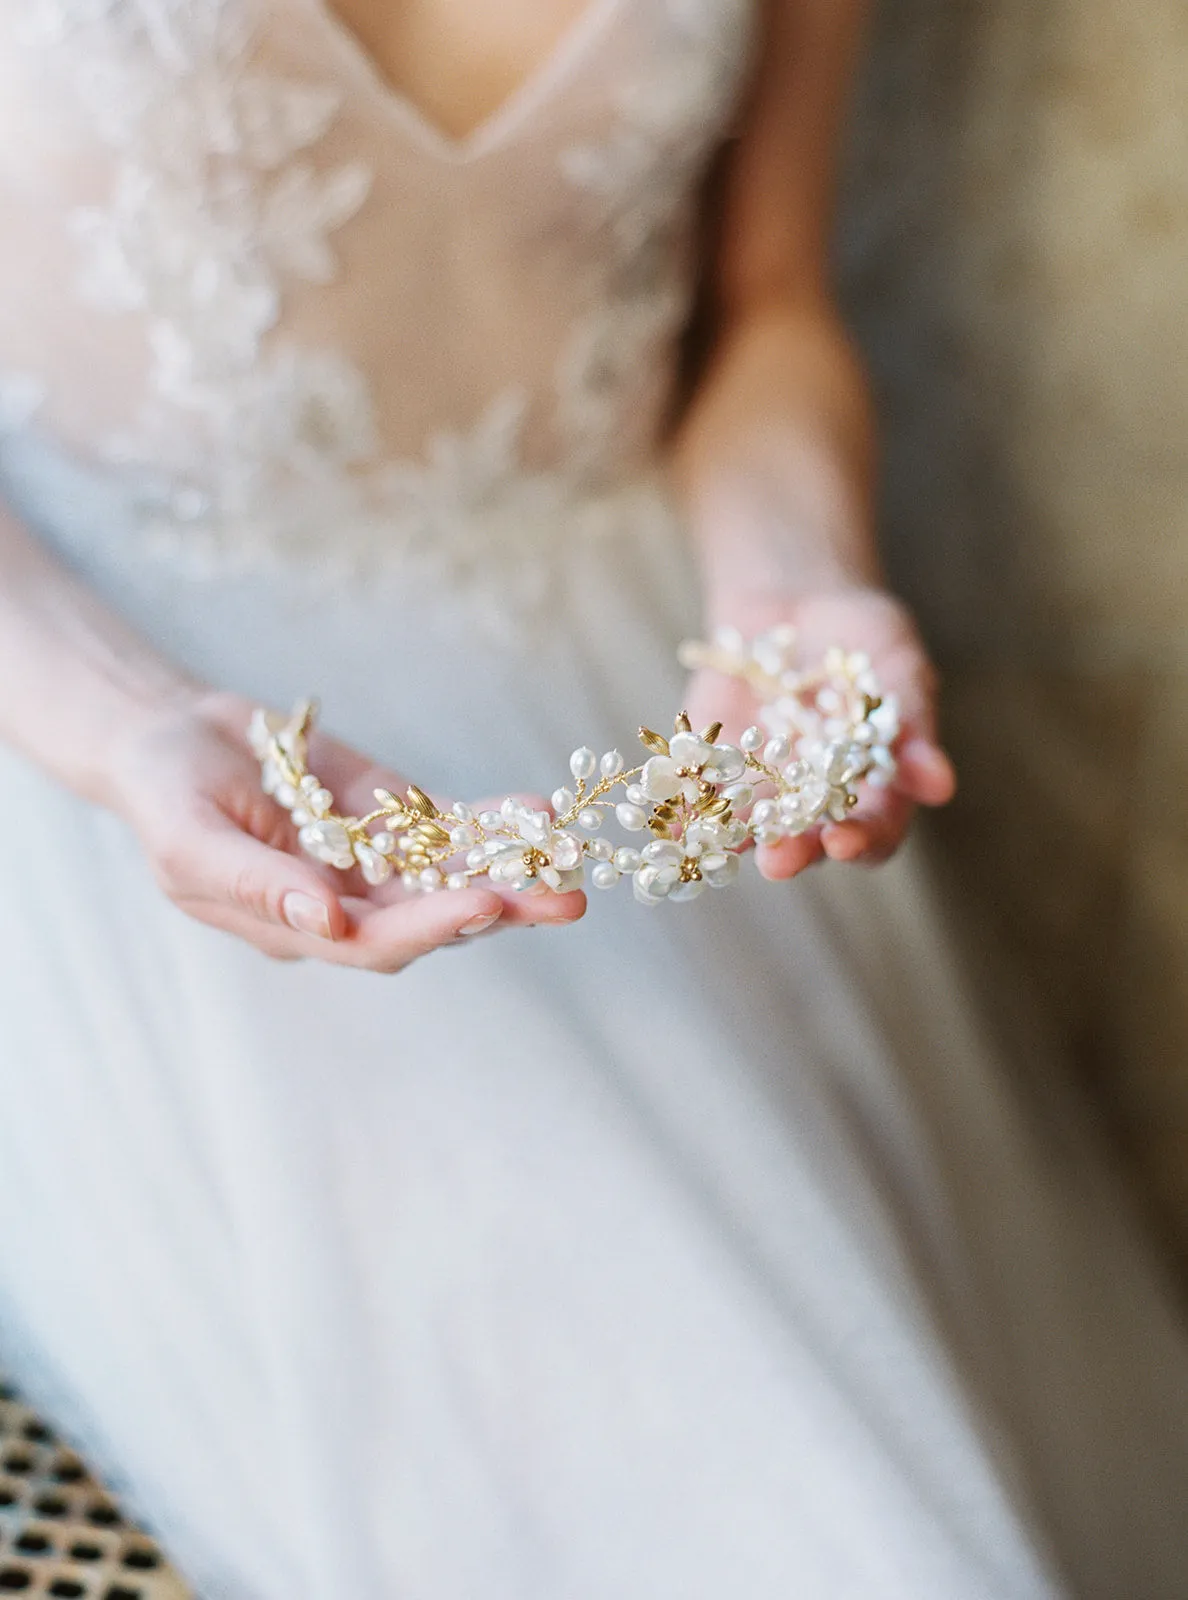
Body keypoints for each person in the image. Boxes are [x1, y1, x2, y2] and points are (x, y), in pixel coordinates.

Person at [0, 0, 1185, 1594]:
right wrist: (129, 726)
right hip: (98, 728)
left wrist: (796, 580)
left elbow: (762, 306)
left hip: (652, 721)